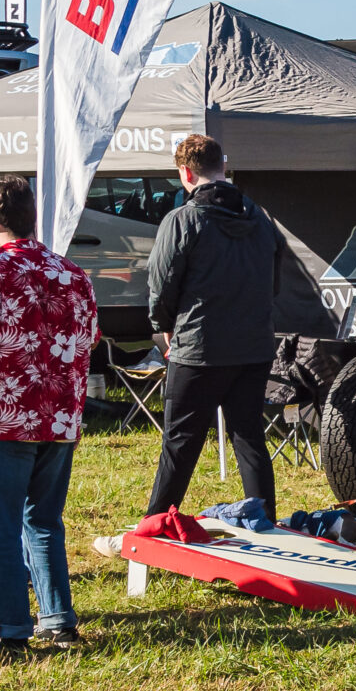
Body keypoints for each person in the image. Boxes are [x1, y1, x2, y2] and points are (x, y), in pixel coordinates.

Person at [103, 134, 280, 540]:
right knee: (249, 436)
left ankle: (153, 528)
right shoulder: (260, 218)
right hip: (253, 345)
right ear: (223, 165)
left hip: (199, 347)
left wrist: (163, 326)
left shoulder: (182, 220)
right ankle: (266, 522)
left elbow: (161, 283)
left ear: (185, 172)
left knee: (180, 443)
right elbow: (274, 281)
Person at [0, 175, 97, 659]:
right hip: (59, 417)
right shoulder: (73, 274)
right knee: (45, 521)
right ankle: (58, 622)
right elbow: (85, 347)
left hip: (4, 418)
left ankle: (13, 632)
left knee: (2, 527)